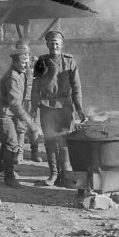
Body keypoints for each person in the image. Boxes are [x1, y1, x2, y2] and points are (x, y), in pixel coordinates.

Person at [31, 30, 86, 186]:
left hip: (64, 108)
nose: (54, 45)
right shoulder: (41, 62)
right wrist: (34, 108)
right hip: (47, 107)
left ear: (62, 45)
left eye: (57, 43)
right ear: (47, 45)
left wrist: (80, 109)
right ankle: (53, 174)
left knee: (64, 140)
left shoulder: (70, 62)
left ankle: (64, 175)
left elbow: (77, 88)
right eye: (52, 43)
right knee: (49, 141)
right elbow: (35, 88)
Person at [0, 50, 39, 187]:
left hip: (8, 110)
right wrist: (29, 121)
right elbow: (14, 103)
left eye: (27, 62)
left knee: (7, 139)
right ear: (15, 62)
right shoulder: (13, 77)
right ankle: (9, 176)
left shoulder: (20, 72)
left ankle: (1, 167)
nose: (26, 65)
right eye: (22, 62)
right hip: (4, 112)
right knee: (12, 143)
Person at [13, 40, 42, 164]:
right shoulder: (15, 64)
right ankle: (19, 154)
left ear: (29, 49)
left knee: (33, 128)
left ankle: (34, 153)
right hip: (20, 101)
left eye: (25, 49)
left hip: (32, 100)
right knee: (20, 128)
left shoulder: (37, 63)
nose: (23, 51)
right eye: (20, 49)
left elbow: (41, 80)